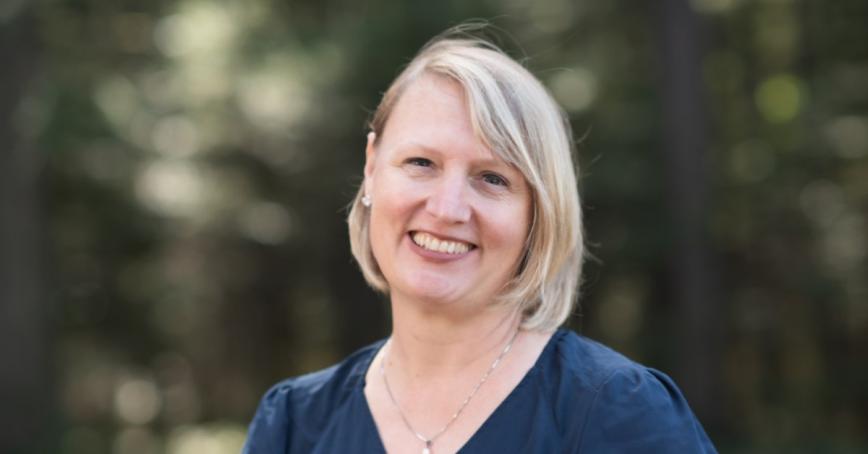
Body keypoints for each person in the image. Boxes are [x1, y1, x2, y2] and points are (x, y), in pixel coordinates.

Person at [243, 28, 716, 453]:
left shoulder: (619, 413)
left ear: (538, 213)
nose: (447, 209)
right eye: (421, 163)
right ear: (371, 169)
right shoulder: (294, 426)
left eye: (491, 178)